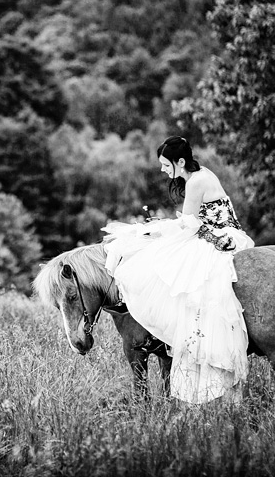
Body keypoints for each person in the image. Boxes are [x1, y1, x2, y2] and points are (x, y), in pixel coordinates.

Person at [102, 136, 254, 404]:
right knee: (162, 250)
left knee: (164, 264)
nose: (162, 170)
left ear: (180, 162)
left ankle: (179, 340)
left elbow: (190, 226)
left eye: (165, 164)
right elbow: (193, 220)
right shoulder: (200, 174)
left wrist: (158, 230)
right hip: (217, 231)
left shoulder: (196, 182)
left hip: (217, 238)